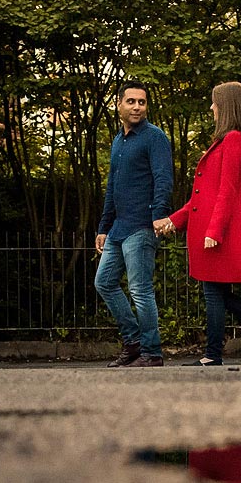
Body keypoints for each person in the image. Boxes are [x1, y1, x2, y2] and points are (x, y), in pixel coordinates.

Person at [156, 83, 241, 366]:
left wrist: (214, 232)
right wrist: (173, 220)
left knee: (213, 292)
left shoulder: (233, 141)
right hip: (209, 231)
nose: (211, 108)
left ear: (226, 106)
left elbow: (228, 191)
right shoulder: (226, 141)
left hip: (218, 233)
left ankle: (220, 351)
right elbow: (201, 198)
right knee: (217, 292)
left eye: (214, 103)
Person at [94, 83, 174, 368]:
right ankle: (133, 344)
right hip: (118, 227)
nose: (137, 106)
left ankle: (152, 353)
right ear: (119, 105)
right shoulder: (119, 141)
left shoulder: (154, 137)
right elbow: (112, 186)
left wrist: (159, 214)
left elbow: (164, 178)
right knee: (103, 282)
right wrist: (104, 226)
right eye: (131, 101)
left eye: (142, 102)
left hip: (142, 225)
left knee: (140, 290)